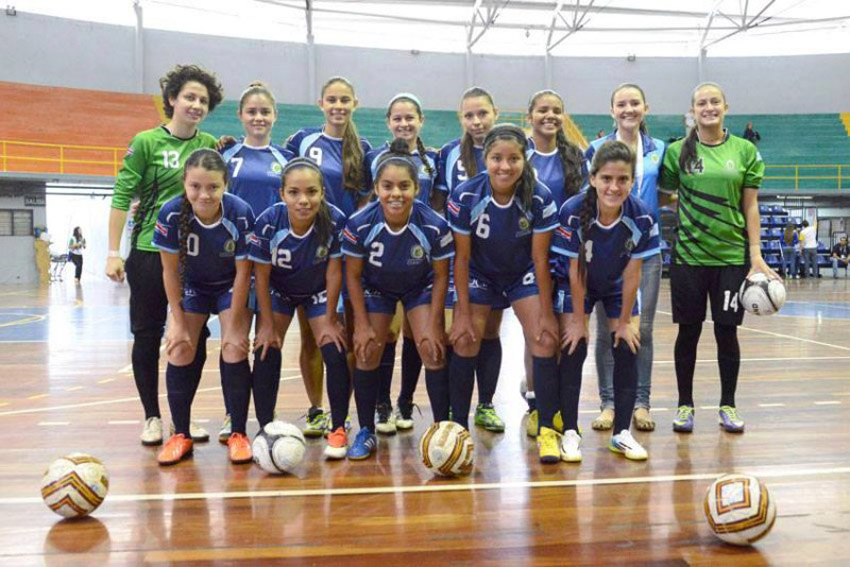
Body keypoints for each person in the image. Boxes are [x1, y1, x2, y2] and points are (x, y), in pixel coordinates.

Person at [105, 64, 223, 446]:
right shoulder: (145, 142)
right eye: (189, 96)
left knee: (195, 335)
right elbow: (123, 195)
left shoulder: (208, 145)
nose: (196, 104)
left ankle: (182, 419)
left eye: (203, 100)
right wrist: (112, 252)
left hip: (192, 256)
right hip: (148, 252)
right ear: (172, 99)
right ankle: (152, 417)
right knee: (147, 333)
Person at [660, 82, 776, 434]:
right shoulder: (677, 152)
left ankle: (728, 404)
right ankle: (684, 406)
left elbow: (751, 204)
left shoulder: (745, 151)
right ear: (692, 110)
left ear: (726, 106)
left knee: (727, 333)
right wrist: (690, 209)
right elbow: (664, 196)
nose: (708, 107)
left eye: (714, 102)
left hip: (730, 258)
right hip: (689, 257)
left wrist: (755, 254)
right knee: (688, 332)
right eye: (701, 103)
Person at [446, 123, 559, 455]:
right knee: (467, 338)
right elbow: (462, 258)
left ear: (525, 160)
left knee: (543, 337)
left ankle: (544, 416)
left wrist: (548, 315)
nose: (505, 166)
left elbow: (540, 258)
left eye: (513, 159)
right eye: (497, 158)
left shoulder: (539, 196)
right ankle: (458, 425)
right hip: (480, 272)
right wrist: (461, 314)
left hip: (522, 272)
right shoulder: (466, 195)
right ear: (485, 158)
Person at [342, 139, 455, 460]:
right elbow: (352, 275)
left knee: (433, 350)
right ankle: (366, 430)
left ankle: (442, 430)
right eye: (387, 186)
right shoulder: (359, 223)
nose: (396, 194)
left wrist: (433, 324)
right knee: (366, 351)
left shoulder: (434, 225)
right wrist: (361, 324)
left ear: (416, 188)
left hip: (419, 286)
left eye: (404, 186)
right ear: (376, 188)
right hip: (376, 288)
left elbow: (441, 275)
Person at [551, 140, 660, 462]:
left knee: (628, 345)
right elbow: (574, 270)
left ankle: (621, 433)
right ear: (593, 178)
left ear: (632, 181)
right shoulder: (572, 211)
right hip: (580, 281)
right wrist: (577, 321)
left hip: (615, 284)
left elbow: (632, 272)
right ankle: (570, 430)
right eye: (607, 179)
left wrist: (625, 322)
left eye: (623, 179)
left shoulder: (641, 216)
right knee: (574, 345)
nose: (614, 187)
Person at [152, 149, 255, 466]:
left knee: (235, 347)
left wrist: (235, 323)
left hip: (230, 286)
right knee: (180, 347)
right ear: (184, 183)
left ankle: (237, 432)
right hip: (192, 287)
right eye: (196, 186)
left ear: (226, 184)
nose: (204, 194)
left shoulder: (240, 213)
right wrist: (178, 322)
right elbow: (169, 272)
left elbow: (243, 272)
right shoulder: (171, 214)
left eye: (213, 187)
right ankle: (180, 434)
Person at [286, 76, 372, 436]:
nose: (338, 106)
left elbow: (368, 198)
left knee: (348, 336)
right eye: (332, 100)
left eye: (345, 100)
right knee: (312, 338)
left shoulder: (364, 148)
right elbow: (287, 181)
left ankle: (344, 409)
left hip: (348, 251)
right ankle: (316, 409)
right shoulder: (302, 141)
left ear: (355, 104)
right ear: (321, 103)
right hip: (310, 249)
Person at [249, 158, 351, 459]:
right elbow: (261, 275)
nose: (303, 200)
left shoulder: (335, 219)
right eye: (294, 192)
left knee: (334, 347)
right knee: (266, 348)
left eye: (311, 192)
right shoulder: (269, 221)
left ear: (322, 193)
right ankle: (266, 427)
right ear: (282, 194)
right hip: (279, 290)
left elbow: (334, 272)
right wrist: (266, 324)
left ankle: (338, 427)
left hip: (318, 289)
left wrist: (331, 318)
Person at [585, 84, 666, 433]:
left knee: (640, 329)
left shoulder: (660, 150)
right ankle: (608, 403)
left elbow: (668, 193)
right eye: (621, 104)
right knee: (607, 329)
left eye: (634, 103)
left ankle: (641, 402)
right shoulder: (594, 149)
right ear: (612, 110)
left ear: (645, 108)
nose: (628, 109)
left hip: (646, 251)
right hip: (608, 252)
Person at [217, 81, 294, 442]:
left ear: (275, 117)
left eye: (265, 111)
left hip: (277, 263)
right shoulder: (228, 158)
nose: (258, 117)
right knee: (234, 340)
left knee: (268, 338)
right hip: (238, 262)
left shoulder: (285, 160)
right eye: (252, 111)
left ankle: (266, 415)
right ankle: (234, 415)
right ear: (240, 115)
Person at [365, 93, 439, 435]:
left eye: (410, 118)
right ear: (388, 123)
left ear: (420, 121)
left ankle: (406, 400)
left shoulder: (432, 161)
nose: (404, 124)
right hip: (384, 258)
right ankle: (381, 402)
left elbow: (437, 204)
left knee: (416, 333)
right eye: (397, 118)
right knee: (388, 332)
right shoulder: (375, 158)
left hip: (419, 258)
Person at [436, 87, 507, 433]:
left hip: (502, 257)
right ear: (460, 118)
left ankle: (486, 404)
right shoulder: (449, 155)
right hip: (461, 258)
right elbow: (438, 204)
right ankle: (456, 407)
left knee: (491, 330)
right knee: (461, 331)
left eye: (482, 113)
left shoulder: (511, 149)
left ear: (495, 112)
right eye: (469, 115)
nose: (477, 121)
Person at [523, 89, 586, 437]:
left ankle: (559, 407)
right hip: (529, 254)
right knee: (536, 334)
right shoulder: (521, 155)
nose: (550, 116)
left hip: (567, 254)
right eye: (542, 110)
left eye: (556, 111)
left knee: (563, 334)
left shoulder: (574, 156)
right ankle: (536, 404)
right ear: (530, 115)